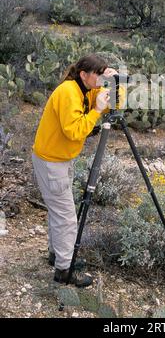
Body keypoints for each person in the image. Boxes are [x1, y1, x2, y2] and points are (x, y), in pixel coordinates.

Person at [31, 54, 121, 287]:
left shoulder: (86, 90)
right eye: (98, 74)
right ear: (83, 74)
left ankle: (57, 254)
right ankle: (64, 270)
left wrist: (114, 84)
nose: (101, 78)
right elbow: (74, 131)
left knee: (59, 212)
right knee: (66, 217)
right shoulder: (68, 92)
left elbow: (115, 106)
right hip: (52, 162)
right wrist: (96, 111)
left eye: (104, 73)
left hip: (60, 159)